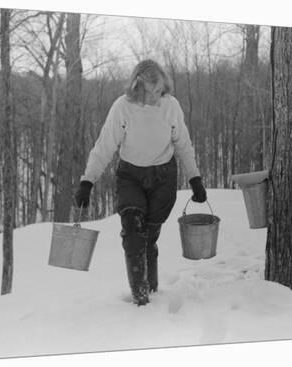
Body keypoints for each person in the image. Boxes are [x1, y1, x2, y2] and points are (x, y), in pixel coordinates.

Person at [74, 59, 207, 306]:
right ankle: (140, 296)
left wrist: (195, 178)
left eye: (159, 90)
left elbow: (183, 144)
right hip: (130, 177)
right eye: (150, 91)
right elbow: (104, 146)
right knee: (133, 233)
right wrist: (87, 181)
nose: (156, 96)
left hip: (162, 178)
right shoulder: (122, 108)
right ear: (137, 87)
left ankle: (151, 286)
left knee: (149, 237)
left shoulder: (171, 106)